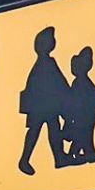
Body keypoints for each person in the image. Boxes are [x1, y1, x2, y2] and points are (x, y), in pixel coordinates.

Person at [17, 27, 69, 175]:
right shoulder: (46, 63)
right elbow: (60, 81)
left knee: (51, 131)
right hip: (43, 106)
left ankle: (58, 157)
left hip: (45, 105)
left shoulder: (43, 63)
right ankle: (26, 159)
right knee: (38, 132)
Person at [63, 46, 95, 165]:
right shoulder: (79, 83)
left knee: (84, 134)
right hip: (83, 115)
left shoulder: (86, 81)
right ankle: (83, 153)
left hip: (89, 115)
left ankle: (83, 152)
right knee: (83, 134)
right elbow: (75, 99)